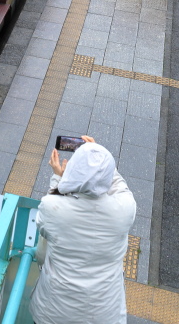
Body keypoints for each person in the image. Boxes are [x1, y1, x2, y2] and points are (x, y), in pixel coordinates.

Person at [30, 137, 137, 324]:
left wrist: (58, 178)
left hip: (54, 312)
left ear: (73, 170)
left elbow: (48, 220)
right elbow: (118, 184)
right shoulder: (126, 209)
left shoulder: (52, 207)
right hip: (105, 313)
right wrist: (100, 160)